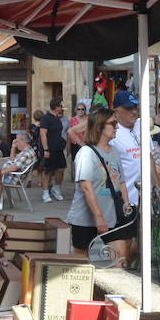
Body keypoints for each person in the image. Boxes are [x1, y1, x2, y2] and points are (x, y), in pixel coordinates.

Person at [66, 108, 133, 264]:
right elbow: (86, 187)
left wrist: (126, 204)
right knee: (83, 263)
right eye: (113, 123)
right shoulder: (86, 153)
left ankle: (115, 288)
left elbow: (121, 181)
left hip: (112, 217)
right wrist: (99, 217)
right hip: (86, 220)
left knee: (120, 257)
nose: (117, 127)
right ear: (99, 126)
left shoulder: (114, 151)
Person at [110, 90, 142, 207]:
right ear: (117, 112)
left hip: (146, 200)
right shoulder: (112, 134)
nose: (134, 111)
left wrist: (157, 187)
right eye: (129, 108)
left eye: (135, 107)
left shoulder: (141, 125)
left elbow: (149, 157)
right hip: (126, 201)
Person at [38, 97, 68, 202]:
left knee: (61, 169)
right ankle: (45, 193)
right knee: (48, 171)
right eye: (61, 106)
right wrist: (46, 149)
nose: (62, 108)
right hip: (49, 149)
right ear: (56, 107)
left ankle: (56, 188)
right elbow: (43, 134)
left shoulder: (57, 118)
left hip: (58, 148)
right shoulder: (46, 118)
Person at [66, 101, 88, 173]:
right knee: (77, 162)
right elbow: (69, 134)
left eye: (82, 109)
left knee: (86, 162)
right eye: (78, 109)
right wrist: (68, 146)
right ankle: (77, 181)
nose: (80, 111)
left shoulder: (88, 119)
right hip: (75, 144)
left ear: (85, 110)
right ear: (76, 110)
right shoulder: (72, 120)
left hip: (86, 143)